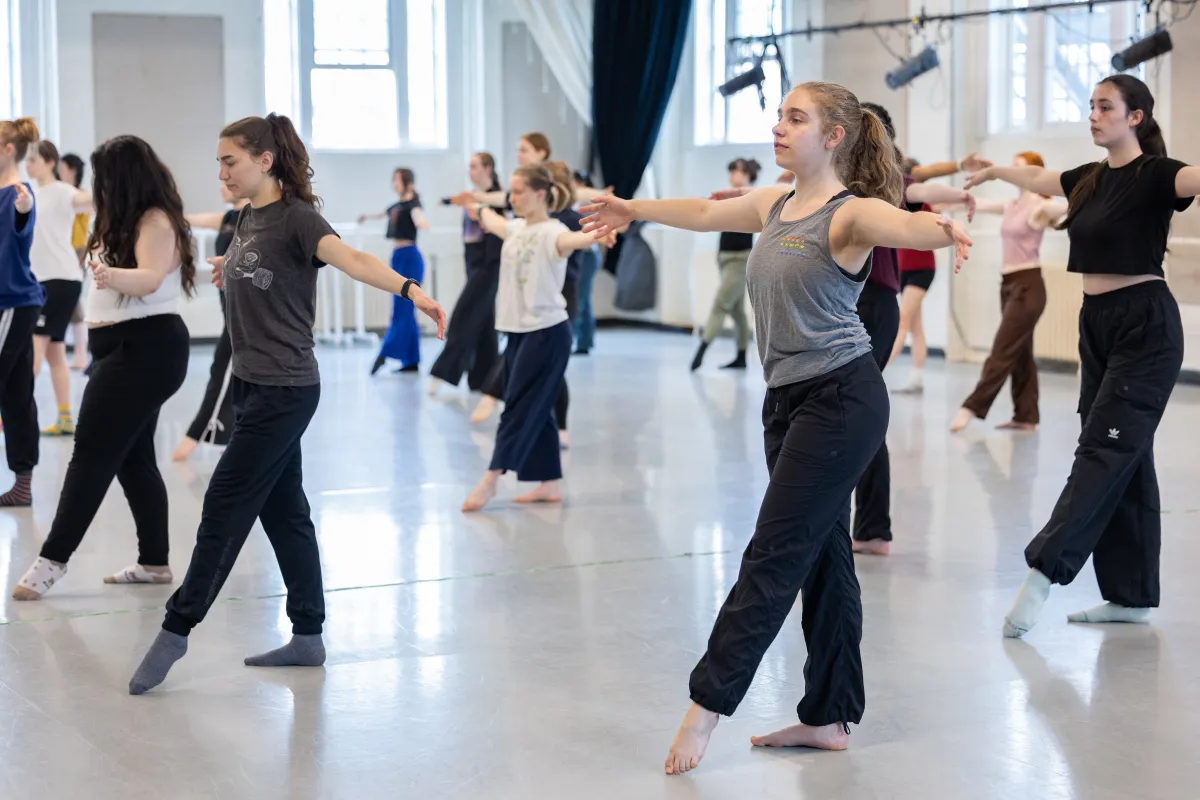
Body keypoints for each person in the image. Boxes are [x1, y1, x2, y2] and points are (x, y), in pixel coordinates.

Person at [582, 81, 971, 774]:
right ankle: (828, 716)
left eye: (797, 118)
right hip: (785, 400)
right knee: (824, 559)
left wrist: (943, 229)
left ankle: (705, 708)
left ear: (834, 137)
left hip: (843, 400)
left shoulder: (850, 216)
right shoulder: (775, 203)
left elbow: (904, 224)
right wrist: (630, 208)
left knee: (775, 551)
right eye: (779, 115)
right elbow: (705, 212)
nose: (779, 126)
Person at [125, 113, 445, 694]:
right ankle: (308, 635)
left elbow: (353, 260)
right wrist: (231, 267)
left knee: (223, 503)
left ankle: (176, 629)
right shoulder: (249, 216)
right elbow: (264, 268)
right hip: (253, 384)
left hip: (286, 389)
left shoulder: (299, 217)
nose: (220, 170)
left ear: (264, 160)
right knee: (285, 511)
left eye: (230, 160)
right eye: (219, 161)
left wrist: (412, 290)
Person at [964, 75, 1198, 638]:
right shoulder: (1089, 180)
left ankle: (1042, 576)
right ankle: (1132, 596)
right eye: (1090, 106)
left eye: (1105, 107)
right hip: (1096, 326)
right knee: (1127, 458)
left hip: (1146, 327)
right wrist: (995, 170)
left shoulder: (1159, 175)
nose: (1093, 115)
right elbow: (1039, 177)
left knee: (1102, 450)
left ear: (1135, 116)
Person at [11, 135, 194, 599]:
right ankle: (154, 562)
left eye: (104, 177)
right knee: (134, 461)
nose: (98, 186)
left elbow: (152, 277)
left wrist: (113, 276)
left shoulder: (155, 220)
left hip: (146, 349)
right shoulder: (118, 218)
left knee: (91, 453)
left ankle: (51, 562)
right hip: (121, 349)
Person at [460, 162, 611, 512]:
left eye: (517, 192)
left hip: (546, 333)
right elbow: (492, 221)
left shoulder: (552, 232)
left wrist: (599, 233)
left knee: (516, 406)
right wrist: (477, 206)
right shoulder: (514, 229)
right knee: (539, 409)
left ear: (540, 194)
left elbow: (574, 240)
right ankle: (549, 484)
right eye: (511, 192)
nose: (512, 198)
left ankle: (491, 479)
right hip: (516, 333)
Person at [949, 152, 1067, 434]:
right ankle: (1026, 416)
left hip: (1029, 286)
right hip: (1008, 285)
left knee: (1002, 349)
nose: (1011, 171)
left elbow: (1070, 205)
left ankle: (971, 407)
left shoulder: (1040, 205)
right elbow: (974, 202)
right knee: (1021, 353)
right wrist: (930, 203)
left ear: (1033, 173)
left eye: (1017, 168)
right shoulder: (1012, 204)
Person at [887, 156, 989, 392]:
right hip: (903, 269)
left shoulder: (925, 198)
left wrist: (966, 199)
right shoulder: (898, 199)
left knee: (902, 321)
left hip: (922, 269)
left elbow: (945, 202)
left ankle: (878, 371)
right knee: (915, 326)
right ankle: (918, 377)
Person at [172, 182, 249, 461]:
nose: (223, 184)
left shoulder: (253, 217)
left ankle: (197, 434)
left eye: (230, 176)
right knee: (236, 376)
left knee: (222, 369)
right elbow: (193, 219)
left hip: (244, 318)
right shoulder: (227, 218)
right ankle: (243, 441)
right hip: (230, 315)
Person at [25, 140, 92, 437]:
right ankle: (65, 418)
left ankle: (9, 417)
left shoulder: (64, 191)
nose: (28, 165)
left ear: (50, 162)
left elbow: (88, 199)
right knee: (53, 352)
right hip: (41, 279)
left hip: (59, 280)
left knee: (32, 350)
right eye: (26, 160)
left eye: (33, 159)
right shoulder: (31, 194)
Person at [428, 152, 504, 395]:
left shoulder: (499, 198)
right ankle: (484, 378)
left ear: (487, 169)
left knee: (463, 315)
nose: (470, 170)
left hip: (488, 266)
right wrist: (448, 200)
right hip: (473, 264)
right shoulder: (471, 195)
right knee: (484, 322)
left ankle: (442, 372)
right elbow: (461, 202)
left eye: (474, 166)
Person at [0, 117, 45, 508]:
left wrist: (25, 208)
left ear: (8, 149)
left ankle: (23, 481)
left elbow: (23, 221)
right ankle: (23, 484)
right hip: (14, 304)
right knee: (16, 394)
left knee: (14, 392)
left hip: (12, 303)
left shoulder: (18, 193)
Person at [691, 157, 760, 372]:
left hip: (740, 260)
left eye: (737, 171)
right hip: (724, 258)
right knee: (737, 311)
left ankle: (701, 350)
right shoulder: (725, 198)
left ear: (748, 174)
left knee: (721, 304)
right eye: (730, 171)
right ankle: (740, 356)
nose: (733, 175)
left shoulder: (752, 197)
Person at [361, 167, 429, 375]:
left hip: (409, 257)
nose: (395, 183)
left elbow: (418, 217)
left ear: (407, 182)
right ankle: (411, 361)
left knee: (403, 309)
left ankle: (385, 352)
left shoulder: (413, 204)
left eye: (398, 180)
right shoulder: (396, 206)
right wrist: (365, 217)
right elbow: (382, 213)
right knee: (405, 310)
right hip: (398, 257)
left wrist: (422, 223)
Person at [59, 152, 91, 370]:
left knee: (72, 303)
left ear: (71, 170)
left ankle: (81, 354)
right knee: (68, 305)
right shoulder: (64, 193)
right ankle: (75, 354)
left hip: (76, 250)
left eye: (62, 167)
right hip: (63, 250)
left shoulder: (78, 195)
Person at [571, 170, 601, 356]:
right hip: (586, 254)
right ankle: (585, 340)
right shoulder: (581, 202)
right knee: (584, 299)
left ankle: (578, 340)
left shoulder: (587, 202)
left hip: (587, 255)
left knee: (580, 299)